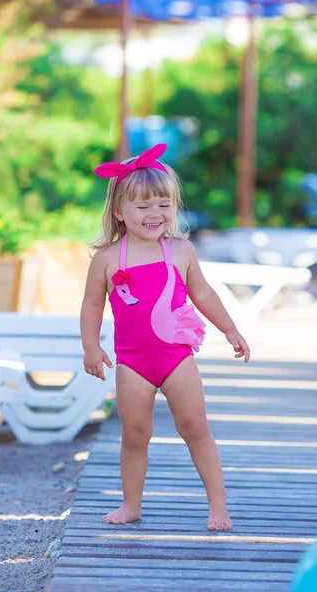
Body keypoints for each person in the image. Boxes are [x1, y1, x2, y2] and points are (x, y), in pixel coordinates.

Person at [80, 143, 250, 531]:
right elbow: (92, 305)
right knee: (135, 433)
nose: (155, 213)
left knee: (195, 427)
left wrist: (230, 329)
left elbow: (202, 293)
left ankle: (218, 505)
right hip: (132, 362)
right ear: (120, 211)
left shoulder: (180, 250)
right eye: (143, 206)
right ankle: (131, 504)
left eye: (163, 204)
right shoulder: (107, 258)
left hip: (176, 358)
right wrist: (91, 346)